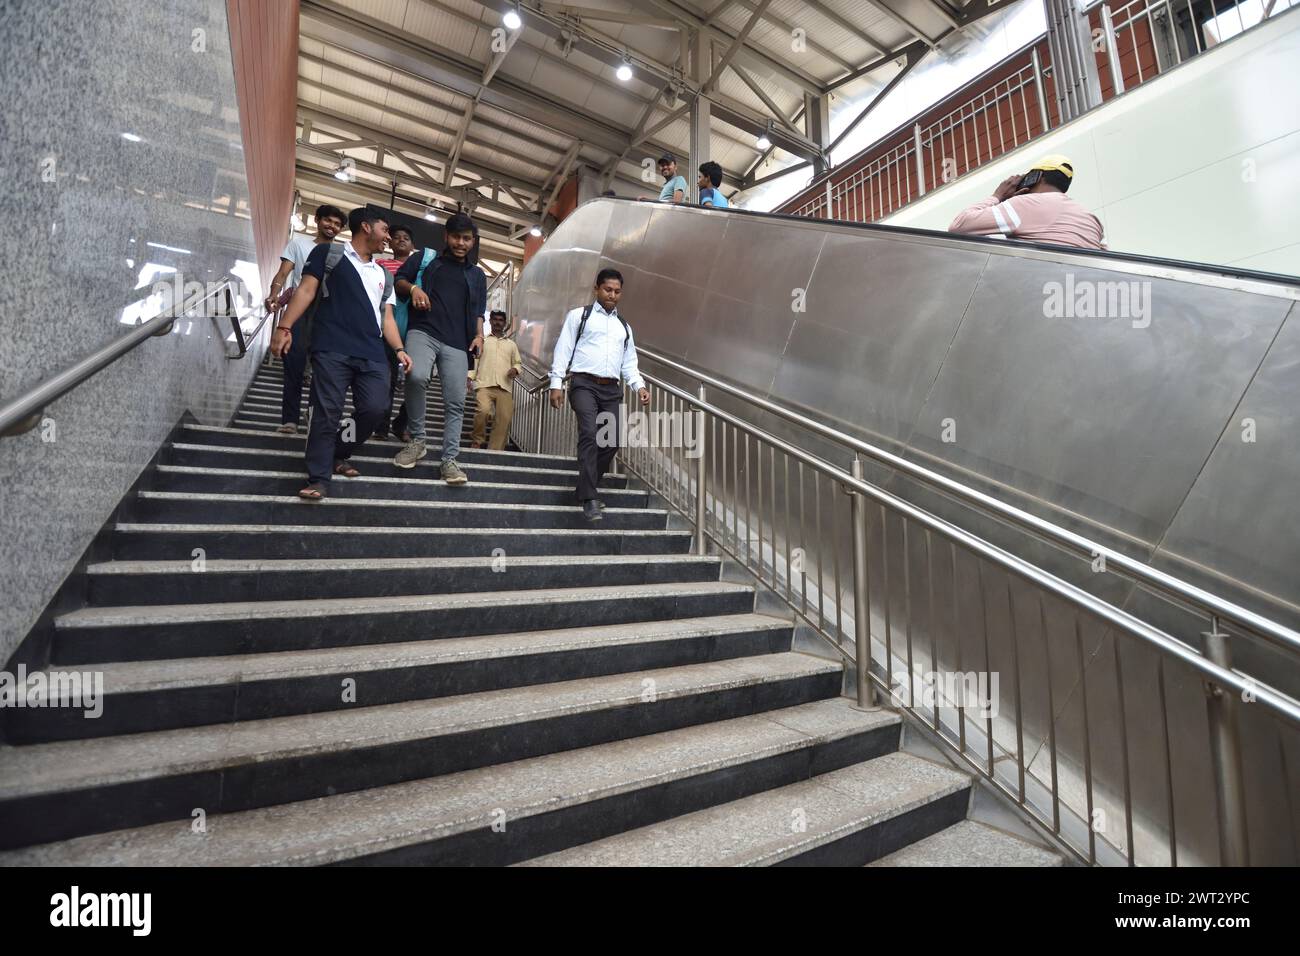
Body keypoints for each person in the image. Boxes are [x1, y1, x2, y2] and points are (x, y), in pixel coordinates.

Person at [269, 207, 410, 500]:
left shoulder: (383, 272)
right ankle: (319, 477)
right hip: (331, 345)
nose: (388, 237)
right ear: (367, 228)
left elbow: (387, 318)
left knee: (375, 409)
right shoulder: (328, 255)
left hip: (372, 351)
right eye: (385, 230)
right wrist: (285, 327)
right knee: (327, 411)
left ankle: (338, 451)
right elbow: (306, 291)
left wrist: (399, 349)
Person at [548, 269, 650, 522]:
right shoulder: (579, 316)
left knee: (612, 439)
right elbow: (564, 348)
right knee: (590, 433)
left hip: (611, 389)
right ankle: (590, 498)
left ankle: (585, 487)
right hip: (583, 384)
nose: (612, 295)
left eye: (617, 292)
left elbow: (629, 362)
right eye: (608, 290)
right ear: (597, 288)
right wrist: (556, 383)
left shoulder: (623, 327)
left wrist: (639, 386)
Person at [392, 212, 486, 485]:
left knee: (456, 401)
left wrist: (479, 335)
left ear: (473, 241)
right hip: (423, 330)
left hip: (458, 341)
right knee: (417, 375)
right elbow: (399, 281)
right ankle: (418, 441)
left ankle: (449, 461)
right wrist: (414, 290)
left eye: (466, 239)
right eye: (456, 237)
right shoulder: (426, 260)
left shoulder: (477, 274)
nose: (461, 243)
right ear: (446, 236)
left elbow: (479, 310)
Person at [262, 204, 346, 434]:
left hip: (328, 313)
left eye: (338, 224)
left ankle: (314, 420)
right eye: (328, 221)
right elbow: (283, 273)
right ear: (318, 220)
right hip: (301, 308)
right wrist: (273, 293)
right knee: (294, 363)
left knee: (323, 369)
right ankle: (289, 420)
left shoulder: (342, 252)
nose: (332, 227)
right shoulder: (299, 244)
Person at [948, 155, 1106, 250]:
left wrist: (997, 196)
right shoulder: (1092, 218)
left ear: (1038, 176)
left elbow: (958, 226)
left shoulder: (1023, 204)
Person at [374, 225, 416, 440]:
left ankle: (401, 424)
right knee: (386, 378)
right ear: (389, 243)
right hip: (386, 327)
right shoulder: (380, 264)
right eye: (396, 237)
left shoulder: (419, 268)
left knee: (416, 380)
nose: (401, 240)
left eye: (406, 237)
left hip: (414, 329)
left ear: (412, 245)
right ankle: (381, 426)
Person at [469, 310, 522, 450]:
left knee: (504, 418)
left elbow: (517, 362)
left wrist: (515, 369)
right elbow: (475, 361)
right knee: (483, 411)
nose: (498, 322)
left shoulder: (511, 345)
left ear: (504, 323)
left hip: (504, 386)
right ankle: (477, 439)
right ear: (490, 321)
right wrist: (469, 378)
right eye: (495, 319)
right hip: (484, 383)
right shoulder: (483, 341)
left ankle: (495, 450)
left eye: (500, 320)